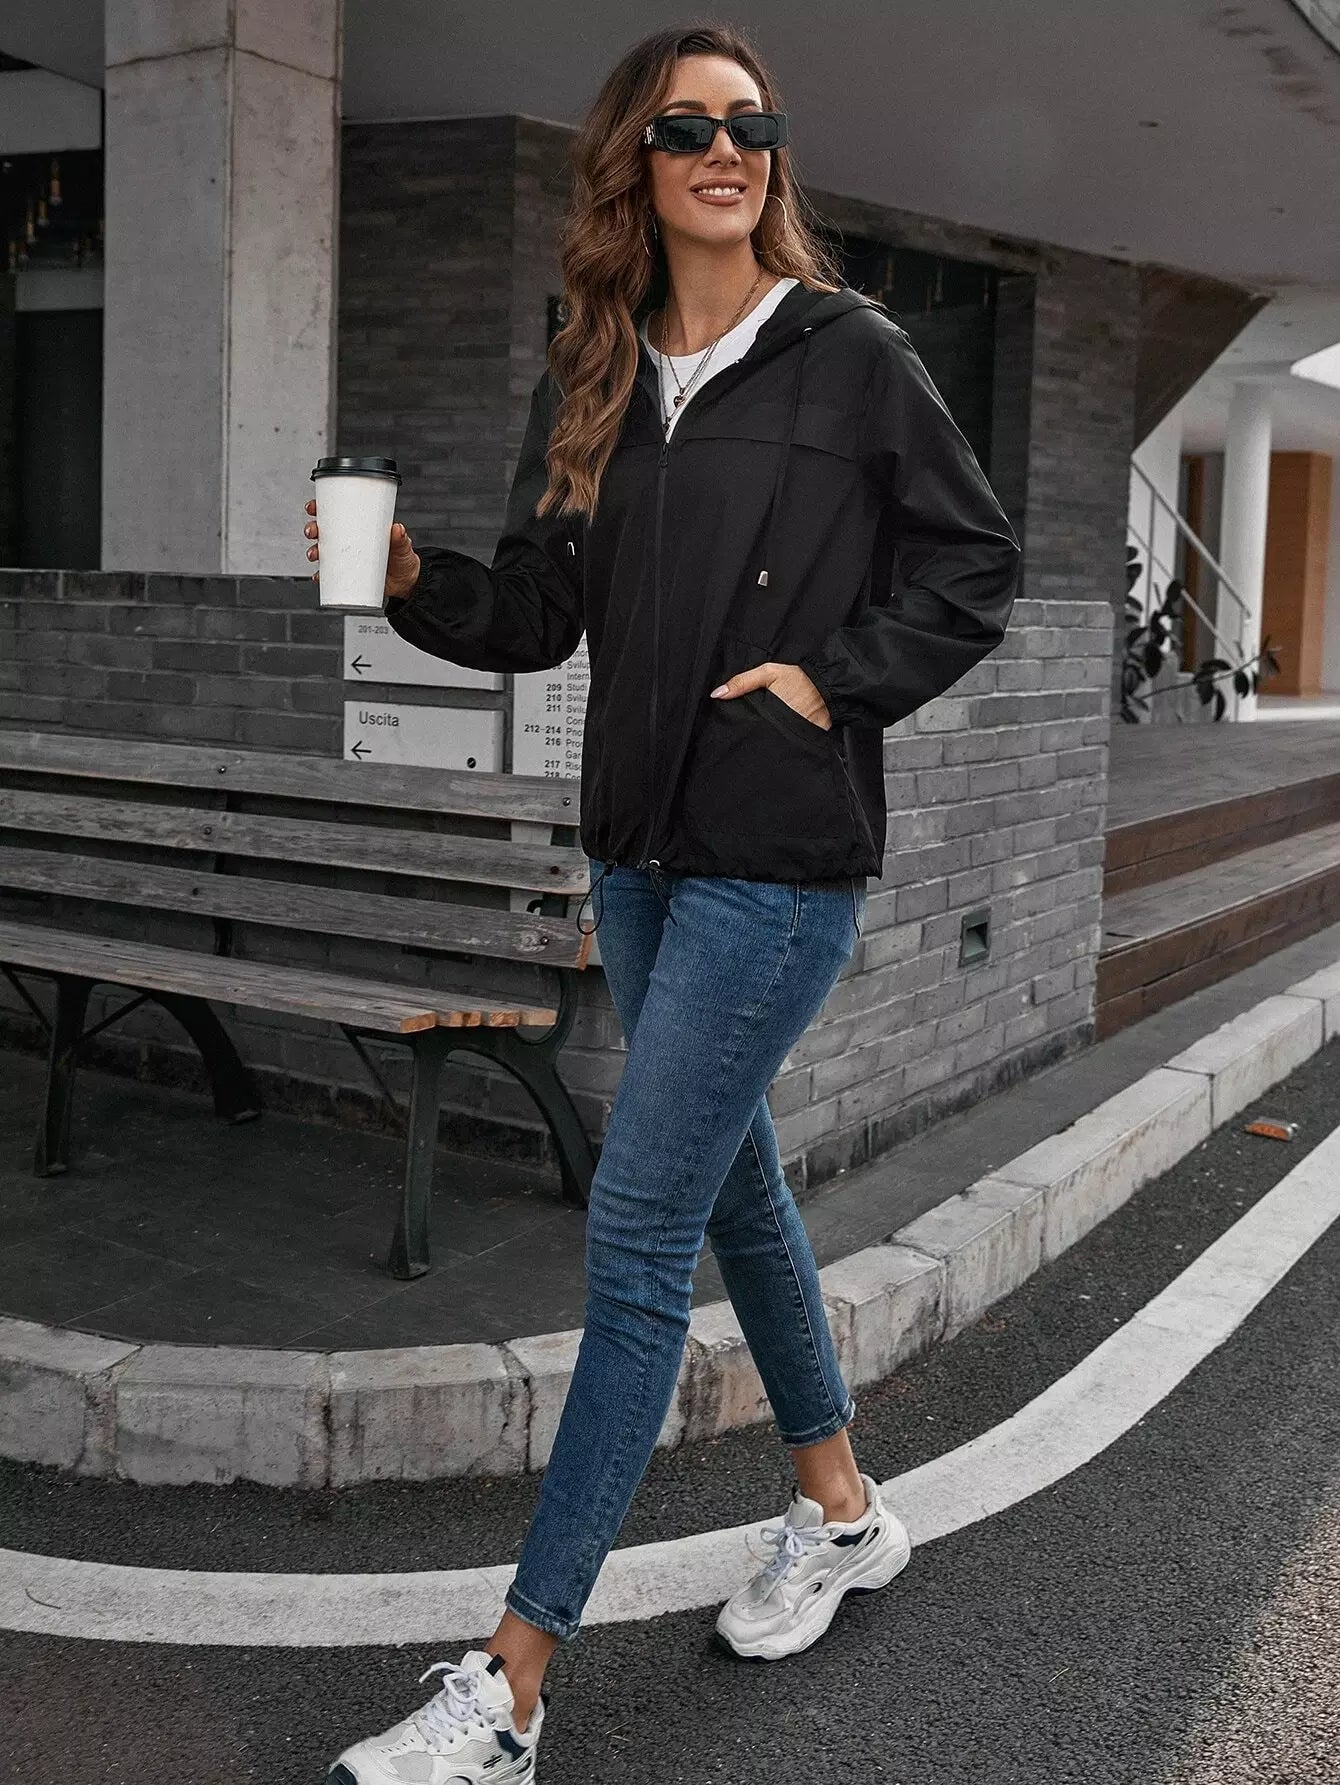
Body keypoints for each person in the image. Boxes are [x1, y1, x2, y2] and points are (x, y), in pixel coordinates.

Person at [308, 23, 1021, 1783]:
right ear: (633, 158)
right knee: (738, 1193)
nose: (726, 149)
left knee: (634, 1238)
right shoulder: (598, 369)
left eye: (750, 124)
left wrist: (829, 681)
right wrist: (409, 578)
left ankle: (512, 1683)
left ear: (772, 159)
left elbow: (975, 562)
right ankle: (841, 1511)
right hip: (635, 857)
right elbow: (539, 608)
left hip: (774, 860)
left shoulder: (850, 355)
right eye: (689, 125)